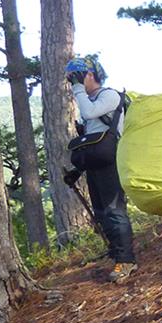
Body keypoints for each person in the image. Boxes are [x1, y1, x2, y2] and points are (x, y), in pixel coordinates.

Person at [63, 55, 137, 282]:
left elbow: (88, 113)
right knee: (102, 211)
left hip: (112, 160)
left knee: (114, 210)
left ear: (90, 75)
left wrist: (77, 89)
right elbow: (91, 137)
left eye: (76, 76)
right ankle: (117, 253)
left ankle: (126, 261)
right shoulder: (91, 98)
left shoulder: (109, 95)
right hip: (97, 161)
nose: (73, 82)